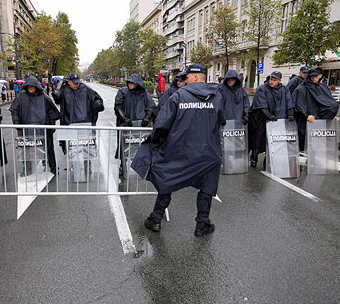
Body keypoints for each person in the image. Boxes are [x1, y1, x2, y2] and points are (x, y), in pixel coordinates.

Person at [132, 64, 226, 237]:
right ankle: (202, 223)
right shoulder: (217, 97)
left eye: (187, 76)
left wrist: (155, 142)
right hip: (208, 152)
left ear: (197, 77)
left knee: (168, 179)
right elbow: (221, 121)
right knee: (207, 186)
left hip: (179, 150)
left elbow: (162, 125)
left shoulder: (179, 96)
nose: (185, 79)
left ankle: (156, 218)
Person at [9, 75, 61, 174]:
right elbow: (14, 110)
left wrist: (51, 125)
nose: (31, 88)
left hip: (43, 129)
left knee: (48, 148)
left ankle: (52, 167)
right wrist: (17, 123)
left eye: (32, 86)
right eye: (29, 86)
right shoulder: (21, 96)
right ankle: (27, 169)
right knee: (27, 150)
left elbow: (52, 112)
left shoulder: (44, 97)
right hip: (27, 129)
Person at [248, 71, 295, 168]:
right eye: (271, 79)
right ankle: (254, 157)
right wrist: (268, 115)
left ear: (279, 80)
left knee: (273, 142)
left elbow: (289, 102)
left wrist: (290, 114)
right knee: (258, 139)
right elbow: (261, 105)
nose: (271, 82)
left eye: (274, 80)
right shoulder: (262, 89)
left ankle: (268, 159)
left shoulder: (284, 89)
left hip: (278, 120)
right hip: (262, 119)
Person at [114, 74, 157, 176]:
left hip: (141, 125)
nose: (129, 84)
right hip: (127, 124)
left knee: (141, 145)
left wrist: (147, 117)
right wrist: (124, 118)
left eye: (132, 83)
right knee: (124, 145)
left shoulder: (144, 93)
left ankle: (144, 166)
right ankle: (122, 166)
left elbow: (151, 106)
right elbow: (117, 106)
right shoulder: (123, 92)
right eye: (129, 82)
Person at [293, 67, 339, 145]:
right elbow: (300, 103)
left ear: (320, 76)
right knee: (303, 142)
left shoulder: (323, 87)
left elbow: (327, 102)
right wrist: (306, 115)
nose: (314, 78)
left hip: (317, 121)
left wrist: (331, 114)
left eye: (315, 76)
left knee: (315, 144)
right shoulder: (302, 88)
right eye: (312, 76)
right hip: (305, 120)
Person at [287, 67, 309, 151]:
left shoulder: (305, 81)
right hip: (296, 109)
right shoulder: (295, 81)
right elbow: (288, 93)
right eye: (304, 73)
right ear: (300, 72)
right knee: (298, 129)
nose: (305, 74)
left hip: (300, 108)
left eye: (306, 73)